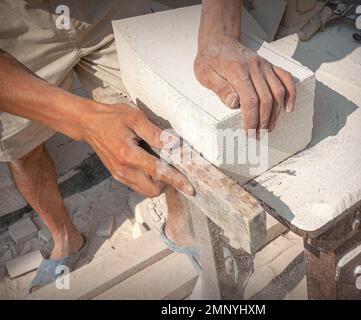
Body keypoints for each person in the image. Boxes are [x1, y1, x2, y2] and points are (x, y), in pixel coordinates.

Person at [0, 0, 296, 291]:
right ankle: (65, 238)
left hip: (102, 8)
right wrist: (84, 120)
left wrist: (219, 32)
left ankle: (180, 227)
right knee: (23, 149)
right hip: (13, 30)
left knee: (163, 111)